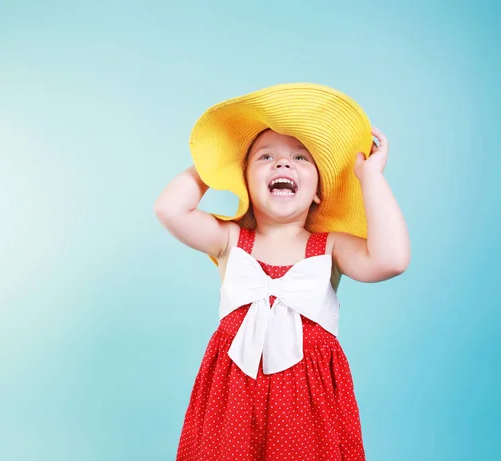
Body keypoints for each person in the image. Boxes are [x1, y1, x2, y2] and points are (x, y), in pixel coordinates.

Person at [154, 83, 411, 461]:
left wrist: (370, 176)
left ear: (318, 192)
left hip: (308, 404)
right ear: (245, 180)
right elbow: (169, 210)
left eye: (300, 158)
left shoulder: (331, 247)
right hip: (234, 401)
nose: (283, 164)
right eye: (265, 157)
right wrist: (216, 164)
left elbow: (392, 259)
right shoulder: (229, 240)